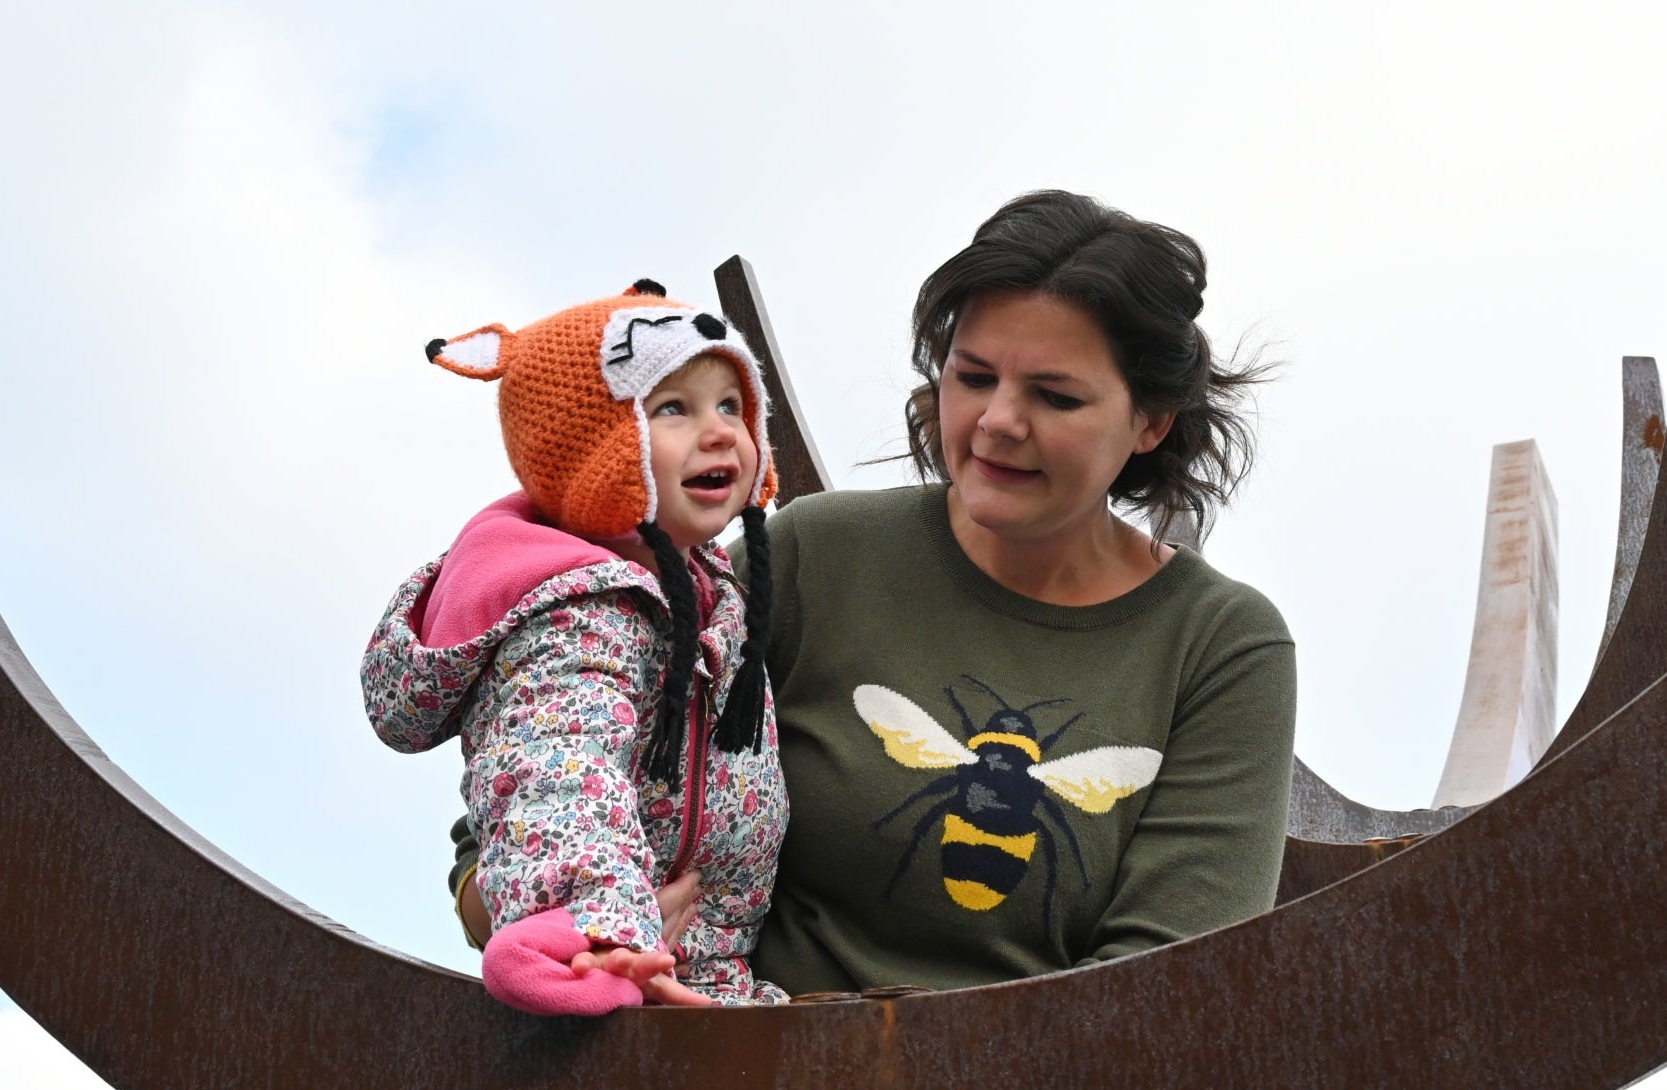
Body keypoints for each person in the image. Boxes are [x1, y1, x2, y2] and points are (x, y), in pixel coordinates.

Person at [445, 193, 1295, 993]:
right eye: (973, 377)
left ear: (1152, 421)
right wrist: (560, 922)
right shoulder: (816, 554)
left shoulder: (1221, 645)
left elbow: (1169, 981)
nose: (998, 420)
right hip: (726, 1068)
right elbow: (537, 773)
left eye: (1055, 395)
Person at [367, 281, 789, 1015]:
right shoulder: (578, 612)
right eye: (673, 409)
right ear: (595, 449)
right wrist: (592, 930)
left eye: (730, 404)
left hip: (707, 972)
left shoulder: (711, 592)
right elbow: (557, 770)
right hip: (621, 971)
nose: (721, 432)